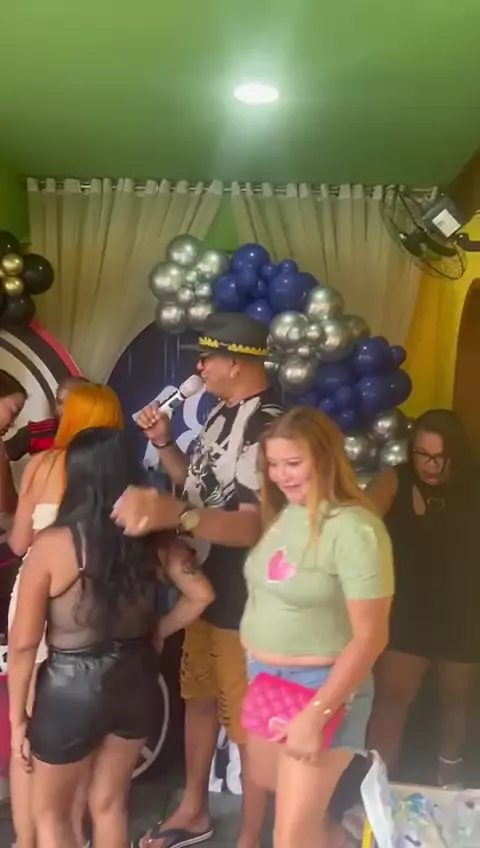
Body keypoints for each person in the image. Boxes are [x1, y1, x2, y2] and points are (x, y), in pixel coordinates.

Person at [112, 312, 283, 848]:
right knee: (200, 697)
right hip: (207, 588)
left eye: (208, 358)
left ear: (237, 363)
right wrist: (165, 445)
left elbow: (252, 526)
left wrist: (177, 517)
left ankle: (251, 835)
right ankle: (193, 810)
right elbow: (198, 487)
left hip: (246, 599)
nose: (200, 367)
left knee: (247, 723)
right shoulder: (218, 413)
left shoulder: (268, 426)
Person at [8, 427, 214, 848]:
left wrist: (16, 721)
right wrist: (159, 629)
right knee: (110, 805)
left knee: (53, 816)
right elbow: (202, 594)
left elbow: (24, 643)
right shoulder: (156, 538)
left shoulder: (53, 545)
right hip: (135, 678)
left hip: (69, 689)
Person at [240, 406, 393, 848]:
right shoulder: (288, 512)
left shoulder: (356, 529)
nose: (280, 476)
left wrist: (317, 713)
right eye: (273, 464)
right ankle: (338, 839)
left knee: (290, 834)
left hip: (319, 685)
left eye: (293, 463)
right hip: (267, 679)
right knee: (273, 786)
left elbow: (371, 636)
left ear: (325, 459)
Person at [7, 382, 124, 848]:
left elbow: (19, 542)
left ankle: (25, 839)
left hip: (33, 595)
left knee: (27, 725)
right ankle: (71, 834)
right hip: (91, 613)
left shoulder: (42, 465)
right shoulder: (120, 477)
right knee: (76, 738)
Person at [367, 409, 480, 787]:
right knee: (390, 702)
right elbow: (357, 525)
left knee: (457, 704)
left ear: (456, 454)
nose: (430, 465)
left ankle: (449, 785)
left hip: (462, 610)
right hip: (407, 610)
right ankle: (375, 789)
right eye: (422, 454)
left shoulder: (473, 484)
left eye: (439, 457)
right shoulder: (395, 480)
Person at [5, 375, 89, 462]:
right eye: (59, 402)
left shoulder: (94, 438)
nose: (62, 410)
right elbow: (3, 454)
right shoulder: (36, 432)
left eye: (71, 403)